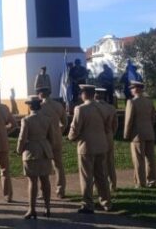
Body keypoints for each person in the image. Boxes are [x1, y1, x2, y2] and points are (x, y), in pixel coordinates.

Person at [68, 85, 112, 214]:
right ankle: (106, 202)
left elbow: (75, 128)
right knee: (101, 175)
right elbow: (108, 127)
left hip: (86, 146)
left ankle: (88, 204)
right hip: (101, 144)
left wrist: (71, 137)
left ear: (84, 94)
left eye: (81, 93)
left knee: (87, 176)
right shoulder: (104, 108)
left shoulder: (80, 109)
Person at [17, 95, 53, 219]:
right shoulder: (47, 119)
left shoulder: (26, 120)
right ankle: (47, 208)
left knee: (32, 181)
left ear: (30, 106)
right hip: (45, 150)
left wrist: (19, 150)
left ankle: (32, 209)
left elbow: (22, 137)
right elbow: (51, 137)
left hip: (31, 150)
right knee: (45, 180)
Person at [123, 81, 156, 187]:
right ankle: (151, 180)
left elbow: (129, 120)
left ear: (135, 89)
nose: (131, 90)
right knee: (150, 158)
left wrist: (126, 134)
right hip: (149, 132)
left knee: (139, 159)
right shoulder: (149, 101)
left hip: (137, 134)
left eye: (132, 88)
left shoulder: (132, 102)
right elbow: (153, 118)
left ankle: (140, 182)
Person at [37, 83, 67, 198]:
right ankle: (61, 190)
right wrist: (59, 131)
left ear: (41, 94)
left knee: (43, 166)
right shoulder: (58, 105)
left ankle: (43, 191)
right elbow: (65, 122)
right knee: (59, 165)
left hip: (44, 139)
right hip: (57, 137)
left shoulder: (39, 106)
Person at [95, 87, 119, 190]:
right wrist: (111, 133)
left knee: (96, 162)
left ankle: (97, 185)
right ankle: (112, 184)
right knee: (110, 161)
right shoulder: (111, 108)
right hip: (108, 135)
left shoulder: (93, 107)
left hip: (97, 137)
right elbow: (115, 124)